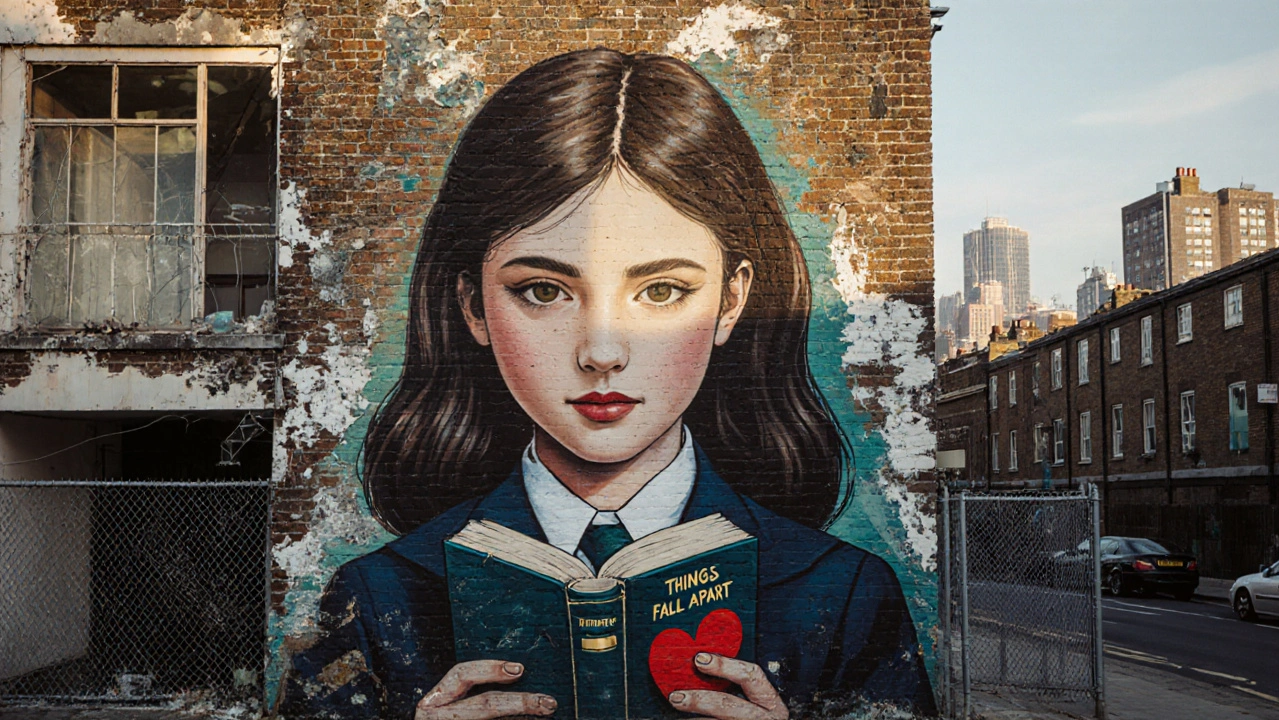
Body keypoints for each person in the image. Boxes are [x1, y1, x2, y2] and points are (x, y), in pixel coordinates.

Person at [283, 48, 936, 720]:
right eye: (542, 290)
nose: (601, 352)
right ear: (473, 306)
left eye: (662, 290)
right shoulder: (375, 598)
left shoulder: (846, 593)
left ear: (732, 302)